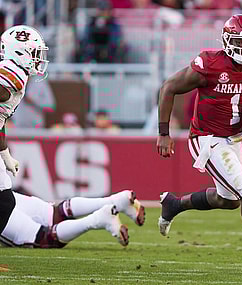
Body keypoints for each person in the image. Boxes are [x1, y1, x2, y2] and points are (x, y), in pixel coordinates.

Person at [155, 14, 242, 275]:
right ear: (228, 41)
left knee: (229, 200)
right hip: (207, 139)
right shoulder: (209, 64)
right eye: (240, 42)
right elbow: (168, 88)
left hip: (236, 139)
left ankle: (175, 205)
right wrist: (164, 133)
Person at [0, 25, 141, 249]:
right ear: (19, 53)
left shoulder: (14, 74)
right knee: (47, 219)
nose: (39, 59)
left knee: (45, 227)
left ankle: (105, 212)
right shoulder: (12, 74)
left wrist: (5, 153)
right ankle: (112, 204)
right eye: (35, 53)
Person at [5, 189, 146, 247]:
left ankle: (99, 218)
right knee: (54, 215)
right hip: (4, 189)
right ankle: (117, 200)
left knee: (43, 239)